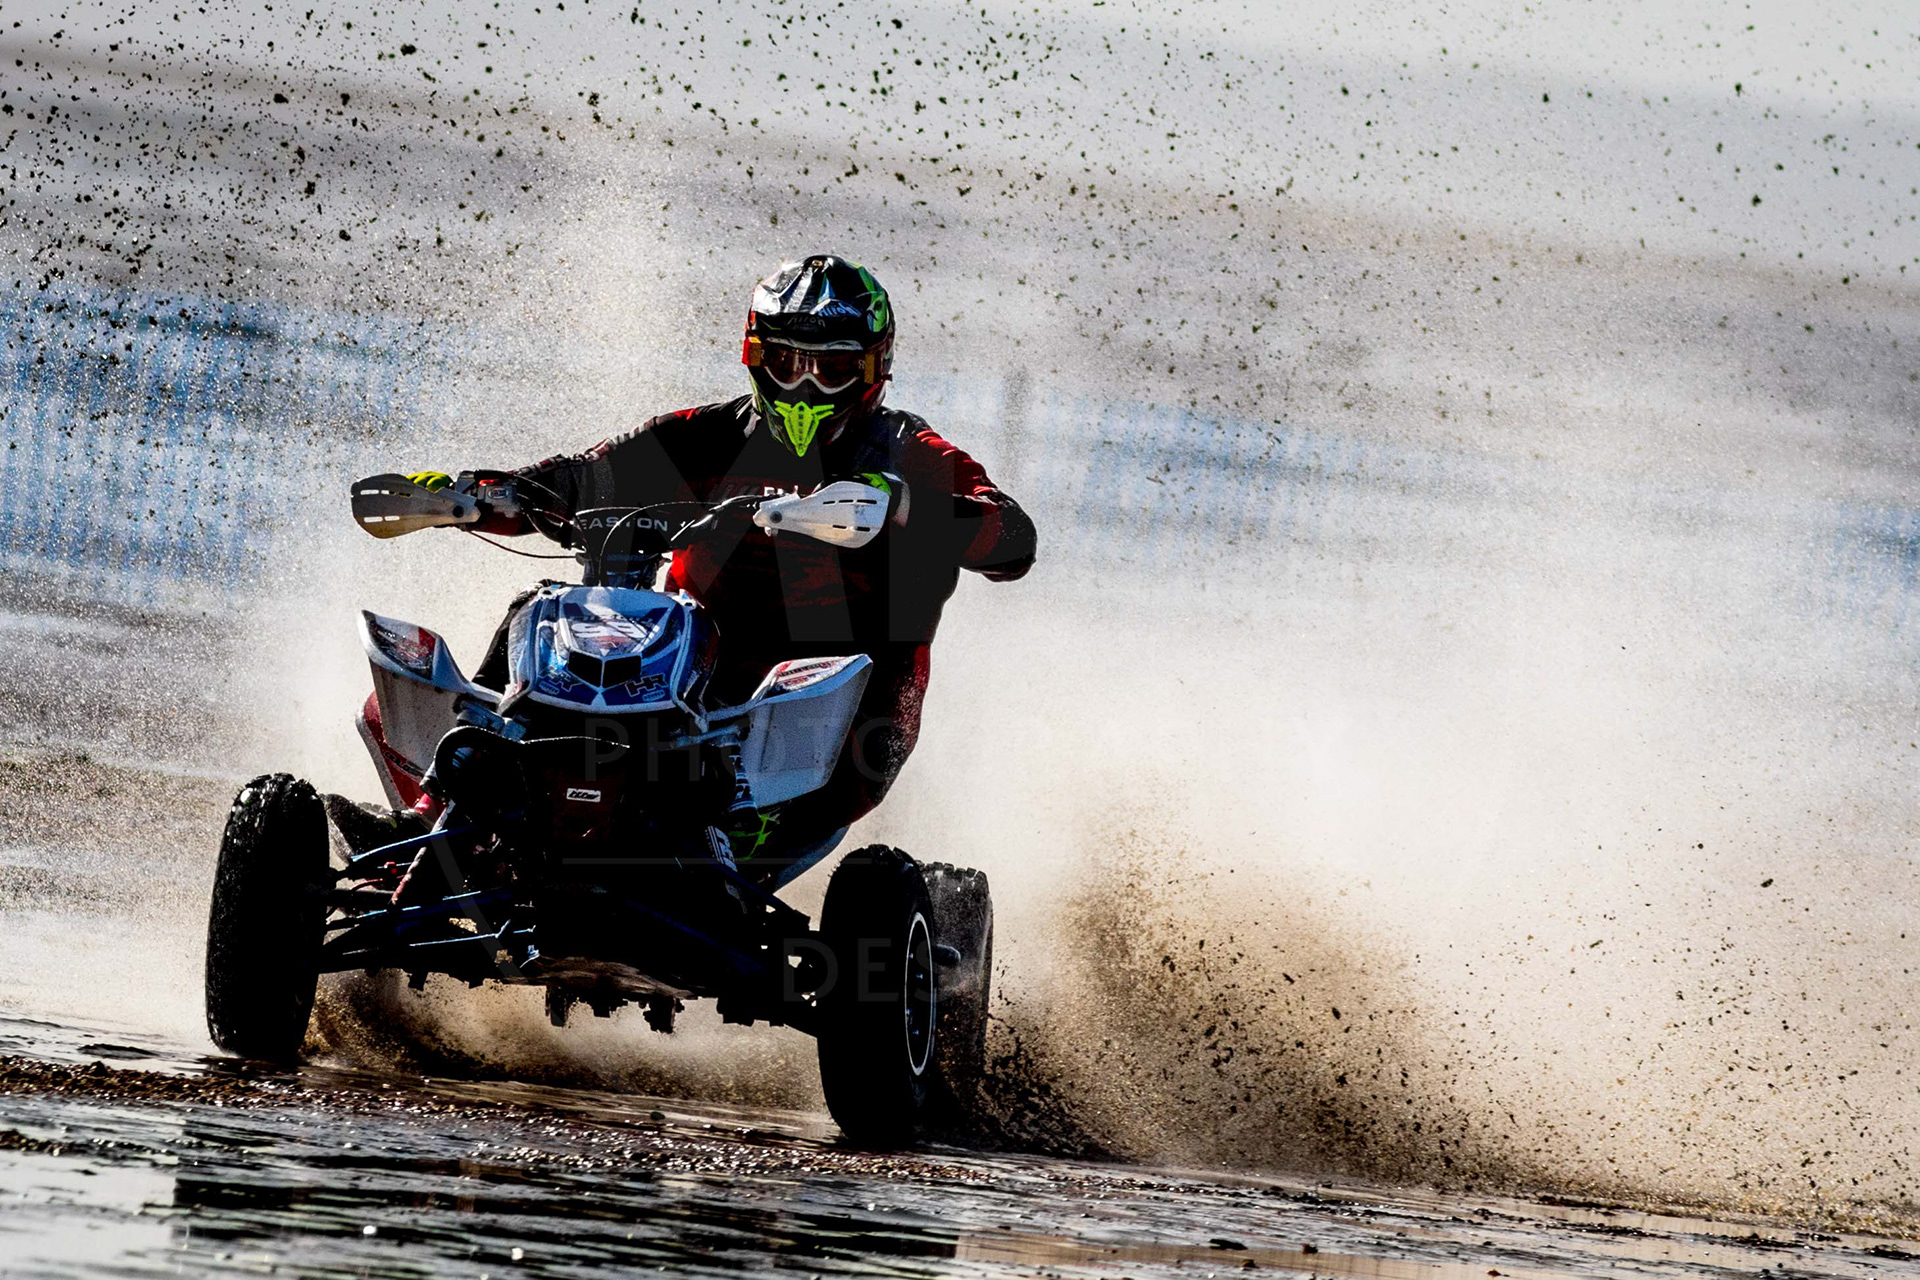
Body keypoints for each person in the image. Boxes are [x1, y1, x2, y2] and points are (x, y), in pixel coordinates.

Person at [406, 254, 1036, 874]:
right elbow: (572, 482)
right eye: (787, 363)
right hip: (682, 678)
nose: (805, 387)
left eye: (832, 369)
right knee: (539, 607)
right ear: (756, 357)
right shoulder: (701, 434)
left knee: (847, 717)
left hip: (844, 696)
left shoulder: (909, 452)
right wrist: (475, 496)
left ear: (874, 369)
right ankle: (445, 803)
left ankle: (738, 838)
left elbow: (1013, 541)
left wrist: (898, 505)